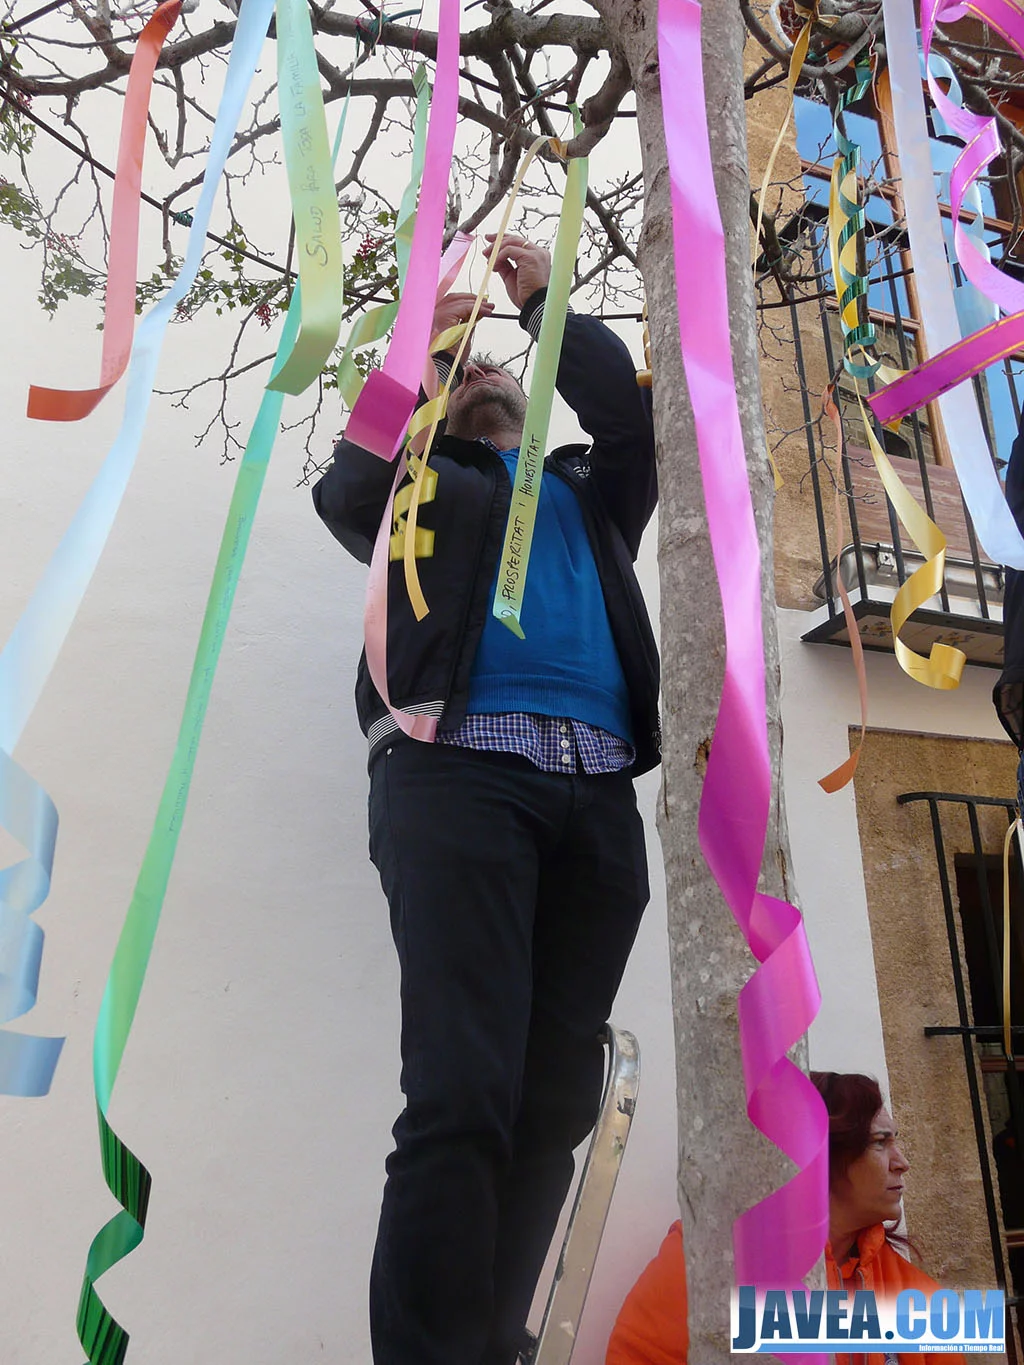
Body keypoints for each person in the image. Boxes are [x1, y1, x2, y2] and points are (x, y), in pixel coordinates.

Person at [312, 232, 660, 1365]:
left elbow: (634, 422)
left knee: (552, 1104)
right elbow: (351, 486)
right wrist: (423, 356)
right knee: (462, 1089)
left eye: (494, 367)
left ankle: (488, 1342)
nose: (484, 379)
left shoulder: (587, 494)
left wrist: (544, 306)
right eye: (461, 381)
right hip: (457, 775)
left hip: (596, 799)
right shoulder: (423, 490)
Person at [811, 1070, 967, 1365]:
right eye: (880, 1142)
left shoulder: (919, 1296)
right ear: (824, 1154)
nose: (902, 1163)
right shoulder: (737, 1281)